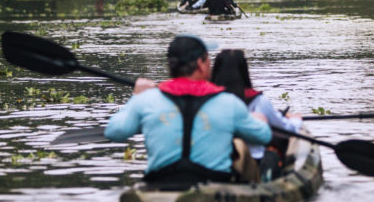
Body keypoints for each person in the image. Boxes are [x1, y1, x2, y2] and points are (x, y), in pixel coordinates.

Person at [104, 34, 272, 187]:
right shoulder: (229, 103)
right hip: (213, 188)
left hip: (159, 185)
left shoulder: (146, 100)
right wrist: (259, 120)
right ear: (201, 64)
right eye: (208, 60)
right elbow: (263, 137)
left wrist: (136, 97)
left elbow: (114, 132)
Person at [211, 49, 303, 181]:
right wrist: (296, 120)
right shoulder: (259, 101)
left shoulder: (208, 101)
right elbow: (286, 128)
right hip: (255, 162)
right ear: (244, 72)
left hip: (215, 163)